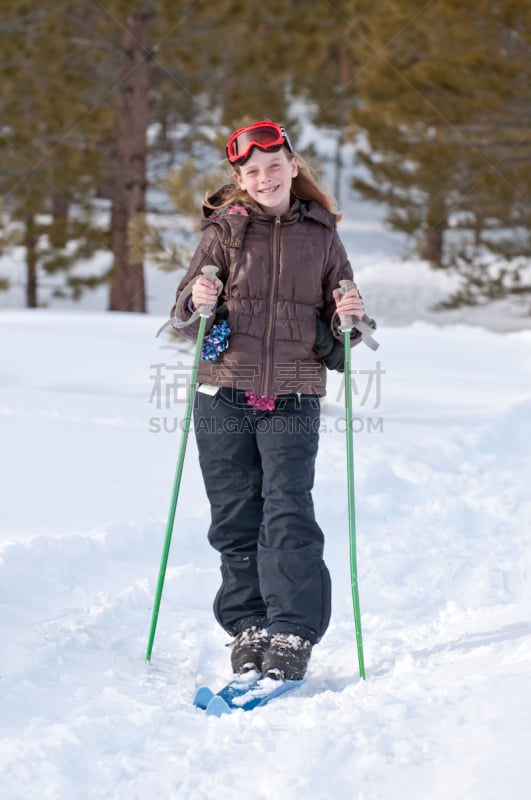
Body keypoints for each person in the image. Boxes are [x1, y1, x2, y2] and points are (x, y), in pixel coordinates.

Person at [170, 120, 368, 681]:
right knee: (235, 515)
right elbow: (183, 315)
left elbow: (344, 320)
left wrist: (350, 317)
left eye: (274, 166)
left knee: (286, 509)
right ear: (239, 178)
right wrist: (196, 300)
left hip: (293, 393)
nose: (265, 177)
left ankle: (292, 629)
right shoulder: (223, 232)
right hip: (222, 391)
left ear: (294, 165)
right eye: (252, 171)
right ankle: (249, 625)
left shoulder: (323, 235)